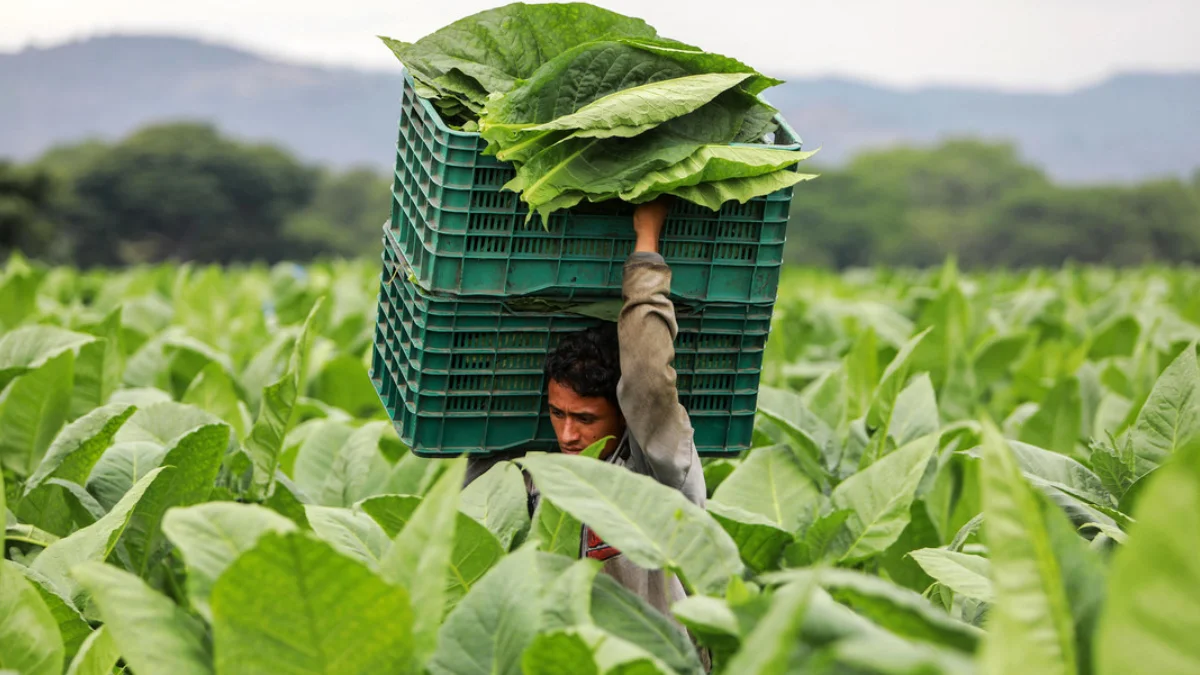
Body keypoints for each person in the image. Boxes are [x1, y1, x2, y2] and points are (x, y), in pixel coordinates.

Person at [465, 198, 705, 616]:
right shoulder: (525, 479)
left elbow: (648, 375)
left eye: (586, 418)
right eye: (558, 413)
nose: (568, 434)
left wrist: (646, 239)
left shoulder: (655, 473)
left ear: (624, 415)